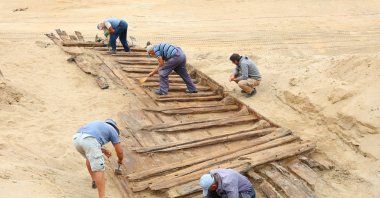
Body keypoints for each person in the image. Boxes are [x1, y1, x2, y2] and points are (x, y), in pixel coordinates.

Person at [72, 119, 124, 198]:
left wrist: (103, 150)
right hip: (89, 140)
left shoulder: (98, 124)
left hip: (76, 138)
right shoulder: (112, 130)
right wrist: (120, 161)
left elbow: (89, 138)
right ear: (115, 127)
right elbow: (119, 152)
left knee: (89, 158)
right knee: (99, 169)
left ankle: (94, 181)